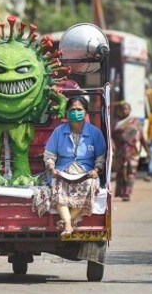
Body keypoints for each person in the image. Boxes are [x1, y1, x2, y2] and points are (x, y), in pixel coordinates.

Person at [43, 96, 106, 235]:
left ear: (86, 112)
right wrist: (52, 169)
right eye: (72, 110)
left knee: (90, 184)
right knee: (56, 184)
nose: (76, 112)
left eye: (79, 109)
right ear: (66, 112)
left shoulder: (95, 133)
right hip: (63, 170)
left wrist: (96, 170)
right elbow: (49, 155)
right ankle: (69, 225)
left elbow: (101, 157)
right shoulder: (59, 131)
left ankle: (67, 222)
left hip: (86, 172)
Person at [112, 101, 149, 201]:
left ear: (130, 110)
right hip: (120, 153)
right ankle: (122, 192)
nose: (124, 111)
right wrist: (112, 145)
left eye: (126, 109)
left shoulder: (135, 121)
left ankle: (127, 193)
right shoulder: (115, 123)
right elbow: (110, 137)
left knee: (131, 173)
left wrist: (147, 151)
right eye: (122, 109)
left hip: (132, 152)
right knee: (121, 173)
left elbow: (141, 137)